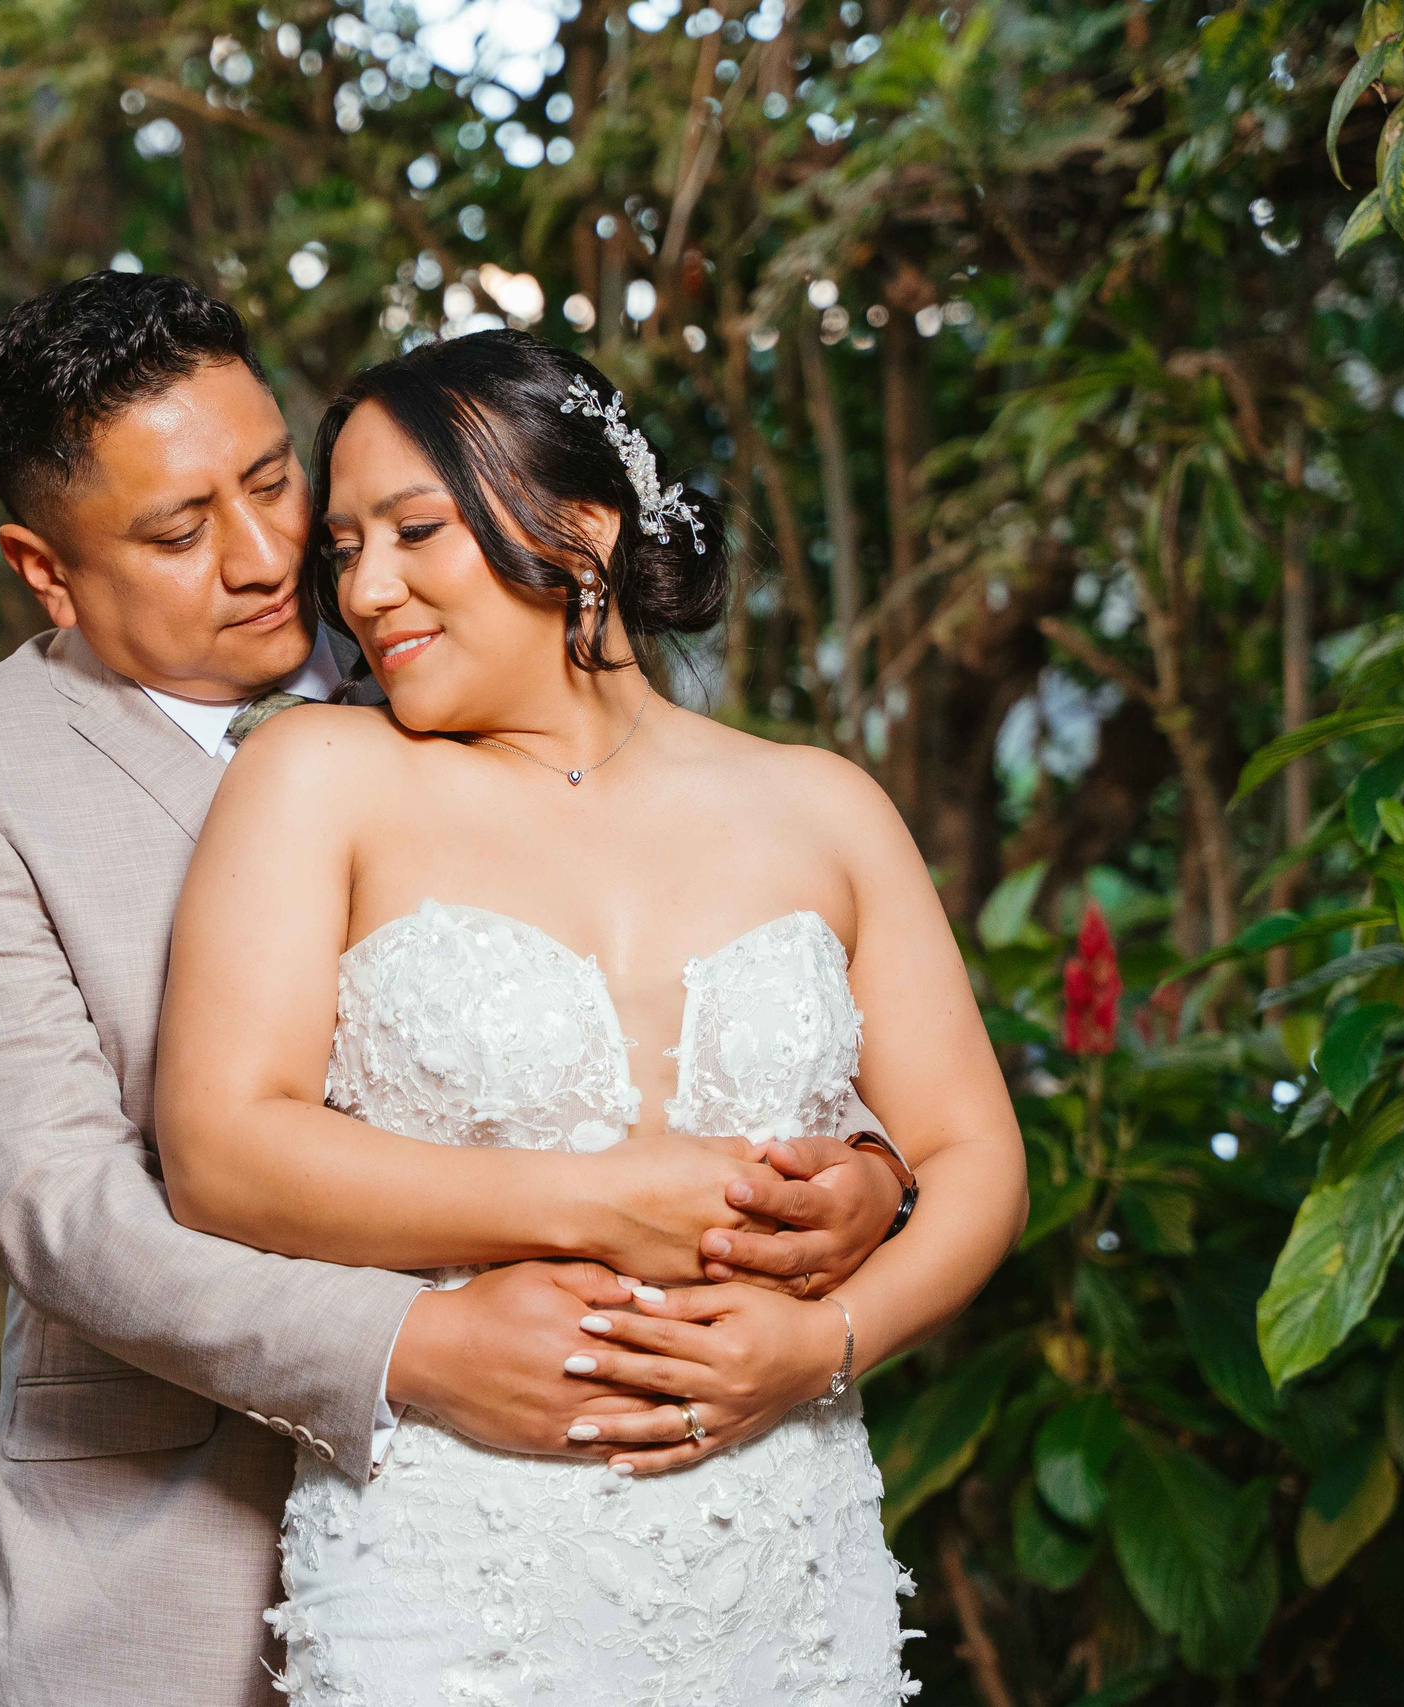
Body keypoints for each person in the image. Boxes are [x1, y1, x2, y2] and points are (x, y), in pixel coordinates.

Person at [0, 272, 914, 1707]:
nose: (266, 557)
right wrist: (409, 1347)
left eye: (275, 482)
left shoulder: (439, 636)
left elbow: (679, 937)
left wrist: (857, 1166)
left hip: (600, 1528)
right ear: (46, 569)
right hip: (175, 1542)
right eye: (177, 531)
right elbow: (62, 1210)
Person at [152, 329, 1028, 1702]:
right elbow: (221, 1150)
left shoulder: (827, 806)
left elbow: (976, 1159)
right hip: (457, 1563)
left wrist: (822, 1344)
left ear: (584, 523)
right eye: (344, 552)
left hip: (780, 1553)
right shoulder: (315, 779)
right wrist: (590, 1202)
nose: (366, 590)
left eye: (413, 531)